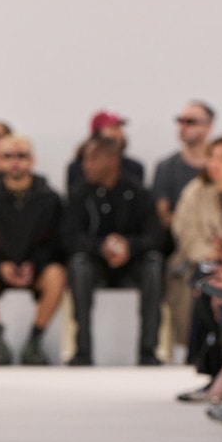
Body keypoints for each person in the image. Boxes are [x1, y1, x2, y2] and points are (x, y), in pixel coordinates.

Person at [64, 134, 163, 365]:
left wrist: (129, 246)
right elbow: (68, 237)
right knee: (79, 266)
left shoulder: (138, 193)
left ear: (113, 161)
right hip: (95, 264)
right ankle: (82, 351)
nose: (86, 165)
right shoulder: (79, 193)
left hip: (132, 264)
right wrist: (101, 247)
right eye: (85, 160)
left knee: (154, 264)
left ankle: (148, 350)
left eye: (93, 159)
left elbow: (156, 236)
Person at [0, 134, 65, 369]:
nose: (15, 161)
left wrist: (34, 264)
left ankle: (34, 342)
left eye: (21, 155)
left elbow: (57, 242)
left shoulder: (49, 198)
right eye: (8, 156)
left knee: (57, 275)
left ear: (32, 160)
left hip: (35, 268)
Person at [172, 136, 222, 399]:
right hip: (207, 263)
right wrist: (212, 255)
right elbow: (186, 231)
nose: (215, 164)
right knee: (205, 287)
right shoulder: (196, 191)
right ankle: (218, 372)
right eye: (211, 157)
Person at [153, 102, 215, 360]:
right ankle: (187, 348)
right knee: (186, 276)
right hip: (184, 247)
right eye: (180, 121)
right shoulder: (168, 167)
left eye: (191, 121)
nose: (183, 127)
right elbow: (167, 217)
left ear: (208, 127)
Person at [66, 110, 145, 193]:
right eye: (113, 128)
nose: (119, 133)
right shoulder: (77, 169)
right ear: (97, 133)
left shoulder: (134, 168)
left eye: (119, 128)